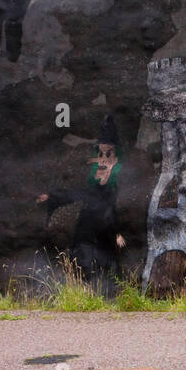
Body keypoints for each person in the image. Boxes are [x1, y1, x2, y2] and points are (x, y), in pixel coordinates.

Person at [37, 114, 126, 295]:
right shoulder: (92, 182)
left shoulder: (119, 184)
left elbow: (117, 209)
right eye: (100, 154)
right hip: (87, 232)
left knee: (108, 269)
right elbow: (74, 194)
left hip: (107, 235)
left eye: (108, 154)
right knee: (83, 262)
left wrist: (116, 232)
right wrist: (51, 197)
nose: (103, 159)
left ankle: (110, 296)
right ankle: (83, 295)